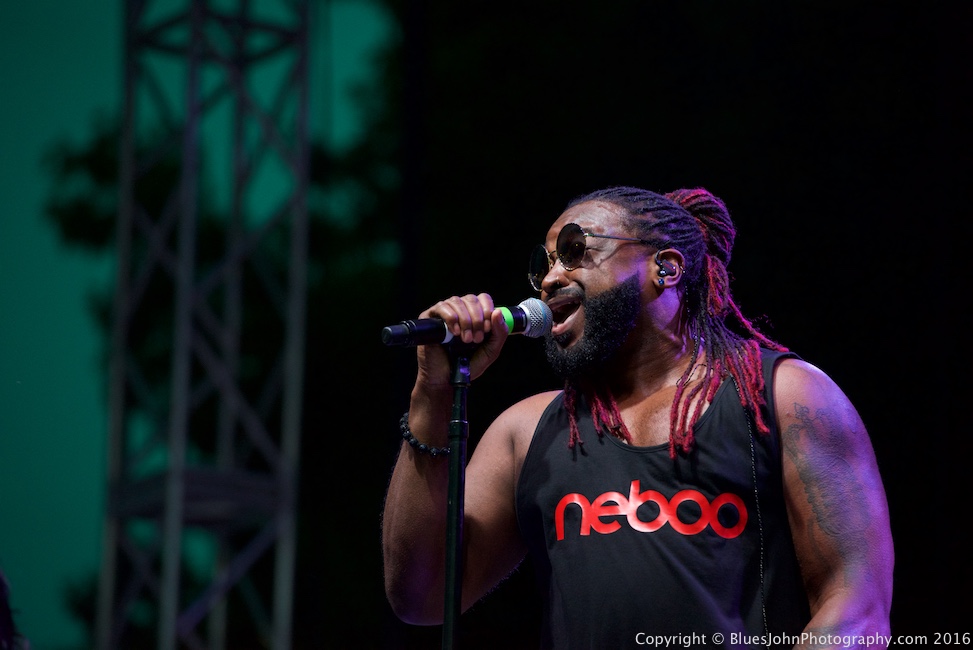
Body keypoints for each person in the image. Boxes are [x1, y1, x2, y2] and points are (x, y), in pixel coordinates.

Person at [382, 186, 894, 648]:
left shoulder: (784, 396)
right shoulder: (528, 430)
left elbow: (857, 615)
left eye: (576, 251)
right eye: (545, 264)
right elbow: (420, 597)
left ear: (665, 269)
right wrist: (432, 397)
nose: (552, 278)